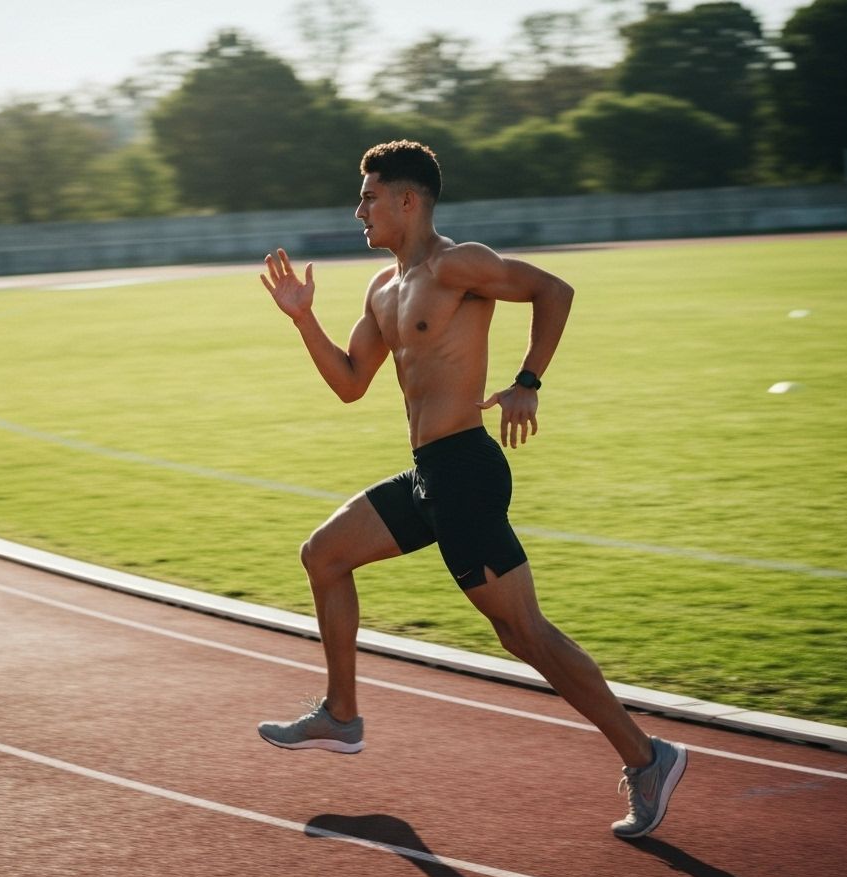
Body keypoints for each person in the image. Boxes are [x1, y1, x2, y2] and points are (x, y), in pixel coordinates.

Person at [258, 140, 686, 839]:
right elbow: (348, 383)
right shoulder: (384, 289)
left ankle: (647, 757)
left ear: (408, 201)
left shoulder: (457, 265)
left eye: (368, 196)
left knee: (525, 634)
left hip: (466, 470)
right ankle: (341, 714)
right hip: (433, 476)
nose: (358, 209)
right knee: (325, 555)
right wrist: (303, 317)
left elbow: (554, 290)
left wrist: (527, 381)